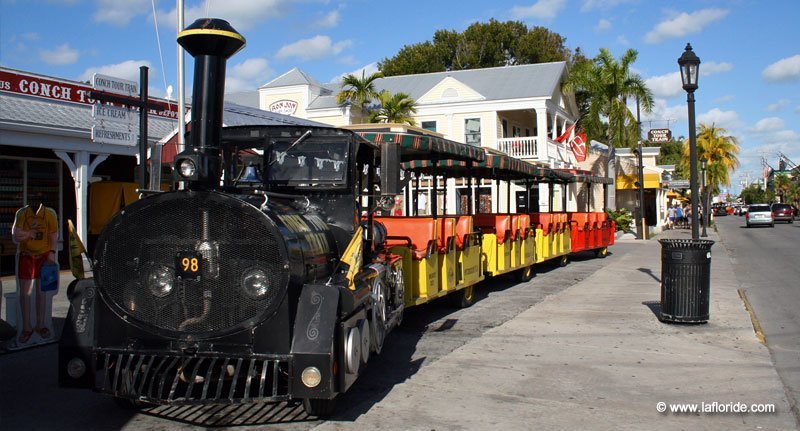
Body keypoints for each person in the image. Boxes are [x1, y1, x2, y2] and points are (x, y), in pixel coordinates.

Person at [11, 202, 58, 344]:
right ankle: (26, 327)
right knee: (25, 293)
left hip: (43, 256)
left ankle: (40, 325)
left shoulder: (49, 214)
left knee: (41, 292)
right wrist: (28, 234)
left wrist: (51, 253)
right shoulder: (22, 213)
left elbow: (53, 235)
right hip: (26, 256)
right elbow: (16, 235)